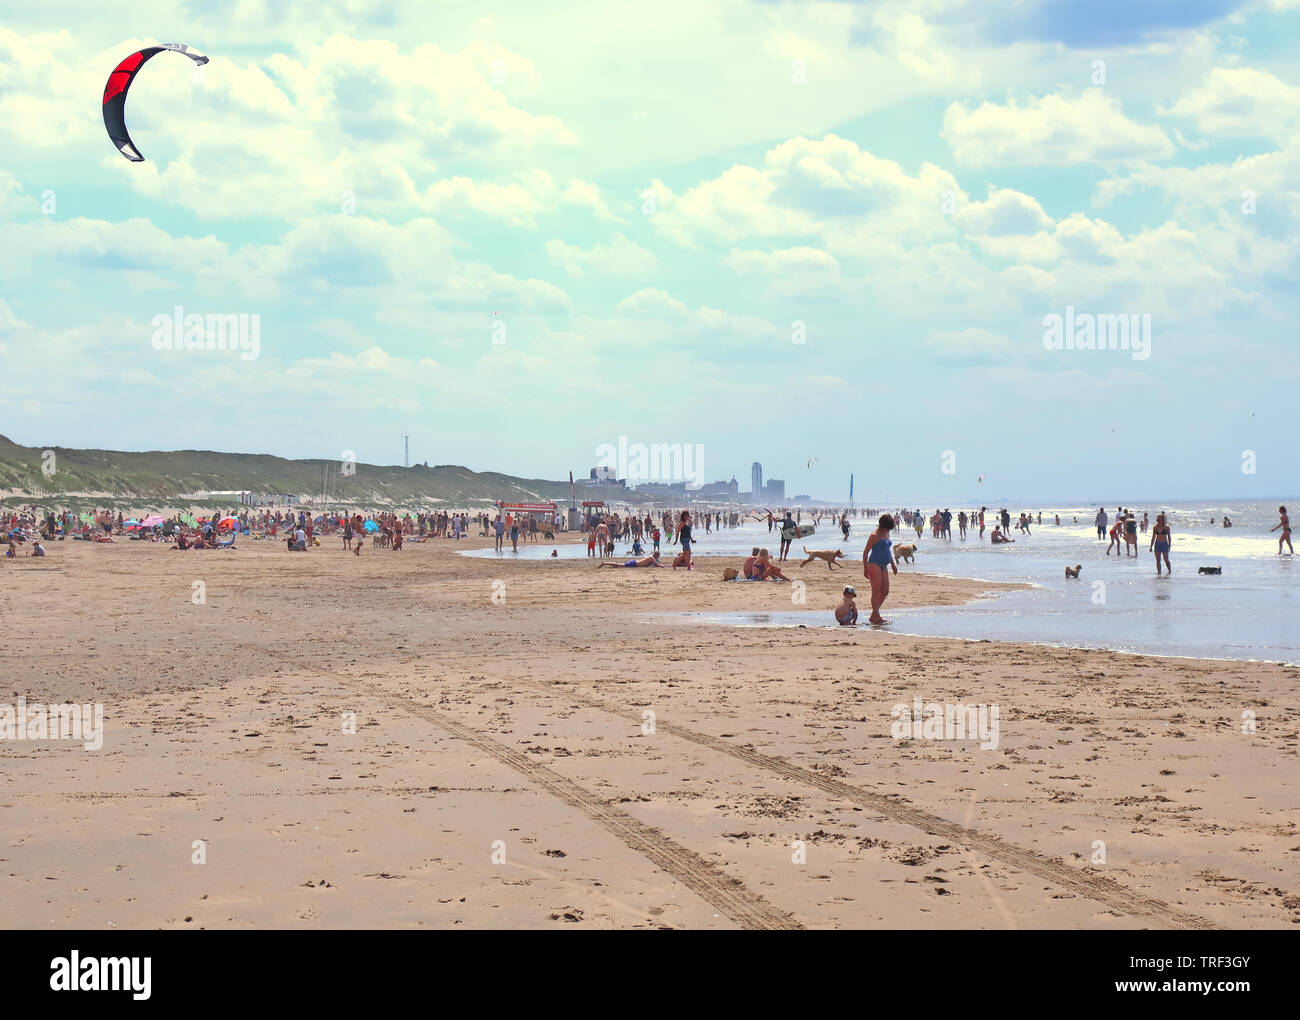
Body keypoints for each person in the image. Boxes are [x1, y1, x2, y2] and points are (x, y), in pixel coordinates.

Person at [862, 514, 897, 625]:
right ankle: (877, 616)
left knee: (885, 591)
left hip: (884, 564)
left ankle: (874, 615)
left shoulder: (886, 533)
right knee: (876, 592)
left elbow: (887, 550)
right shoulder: (874, 536)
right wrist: (865, 568)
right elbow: (865, 552)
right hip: (874, 564)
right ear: (882, 526)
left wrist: (892, 564)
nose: (888, 530)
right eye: (887, 528)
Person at [599, 553, 663, 568]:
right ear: (656, 555)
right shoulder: (652, 558)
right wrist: (663, 566)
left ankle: (605, 563)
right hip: (634, 564)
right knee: (618, 565)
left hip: (634, 562)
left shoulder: (651, 558)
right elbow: (657, 565)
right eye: (658, 556)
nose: (658, 558)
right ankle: (604, 563)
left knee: (618, 565)